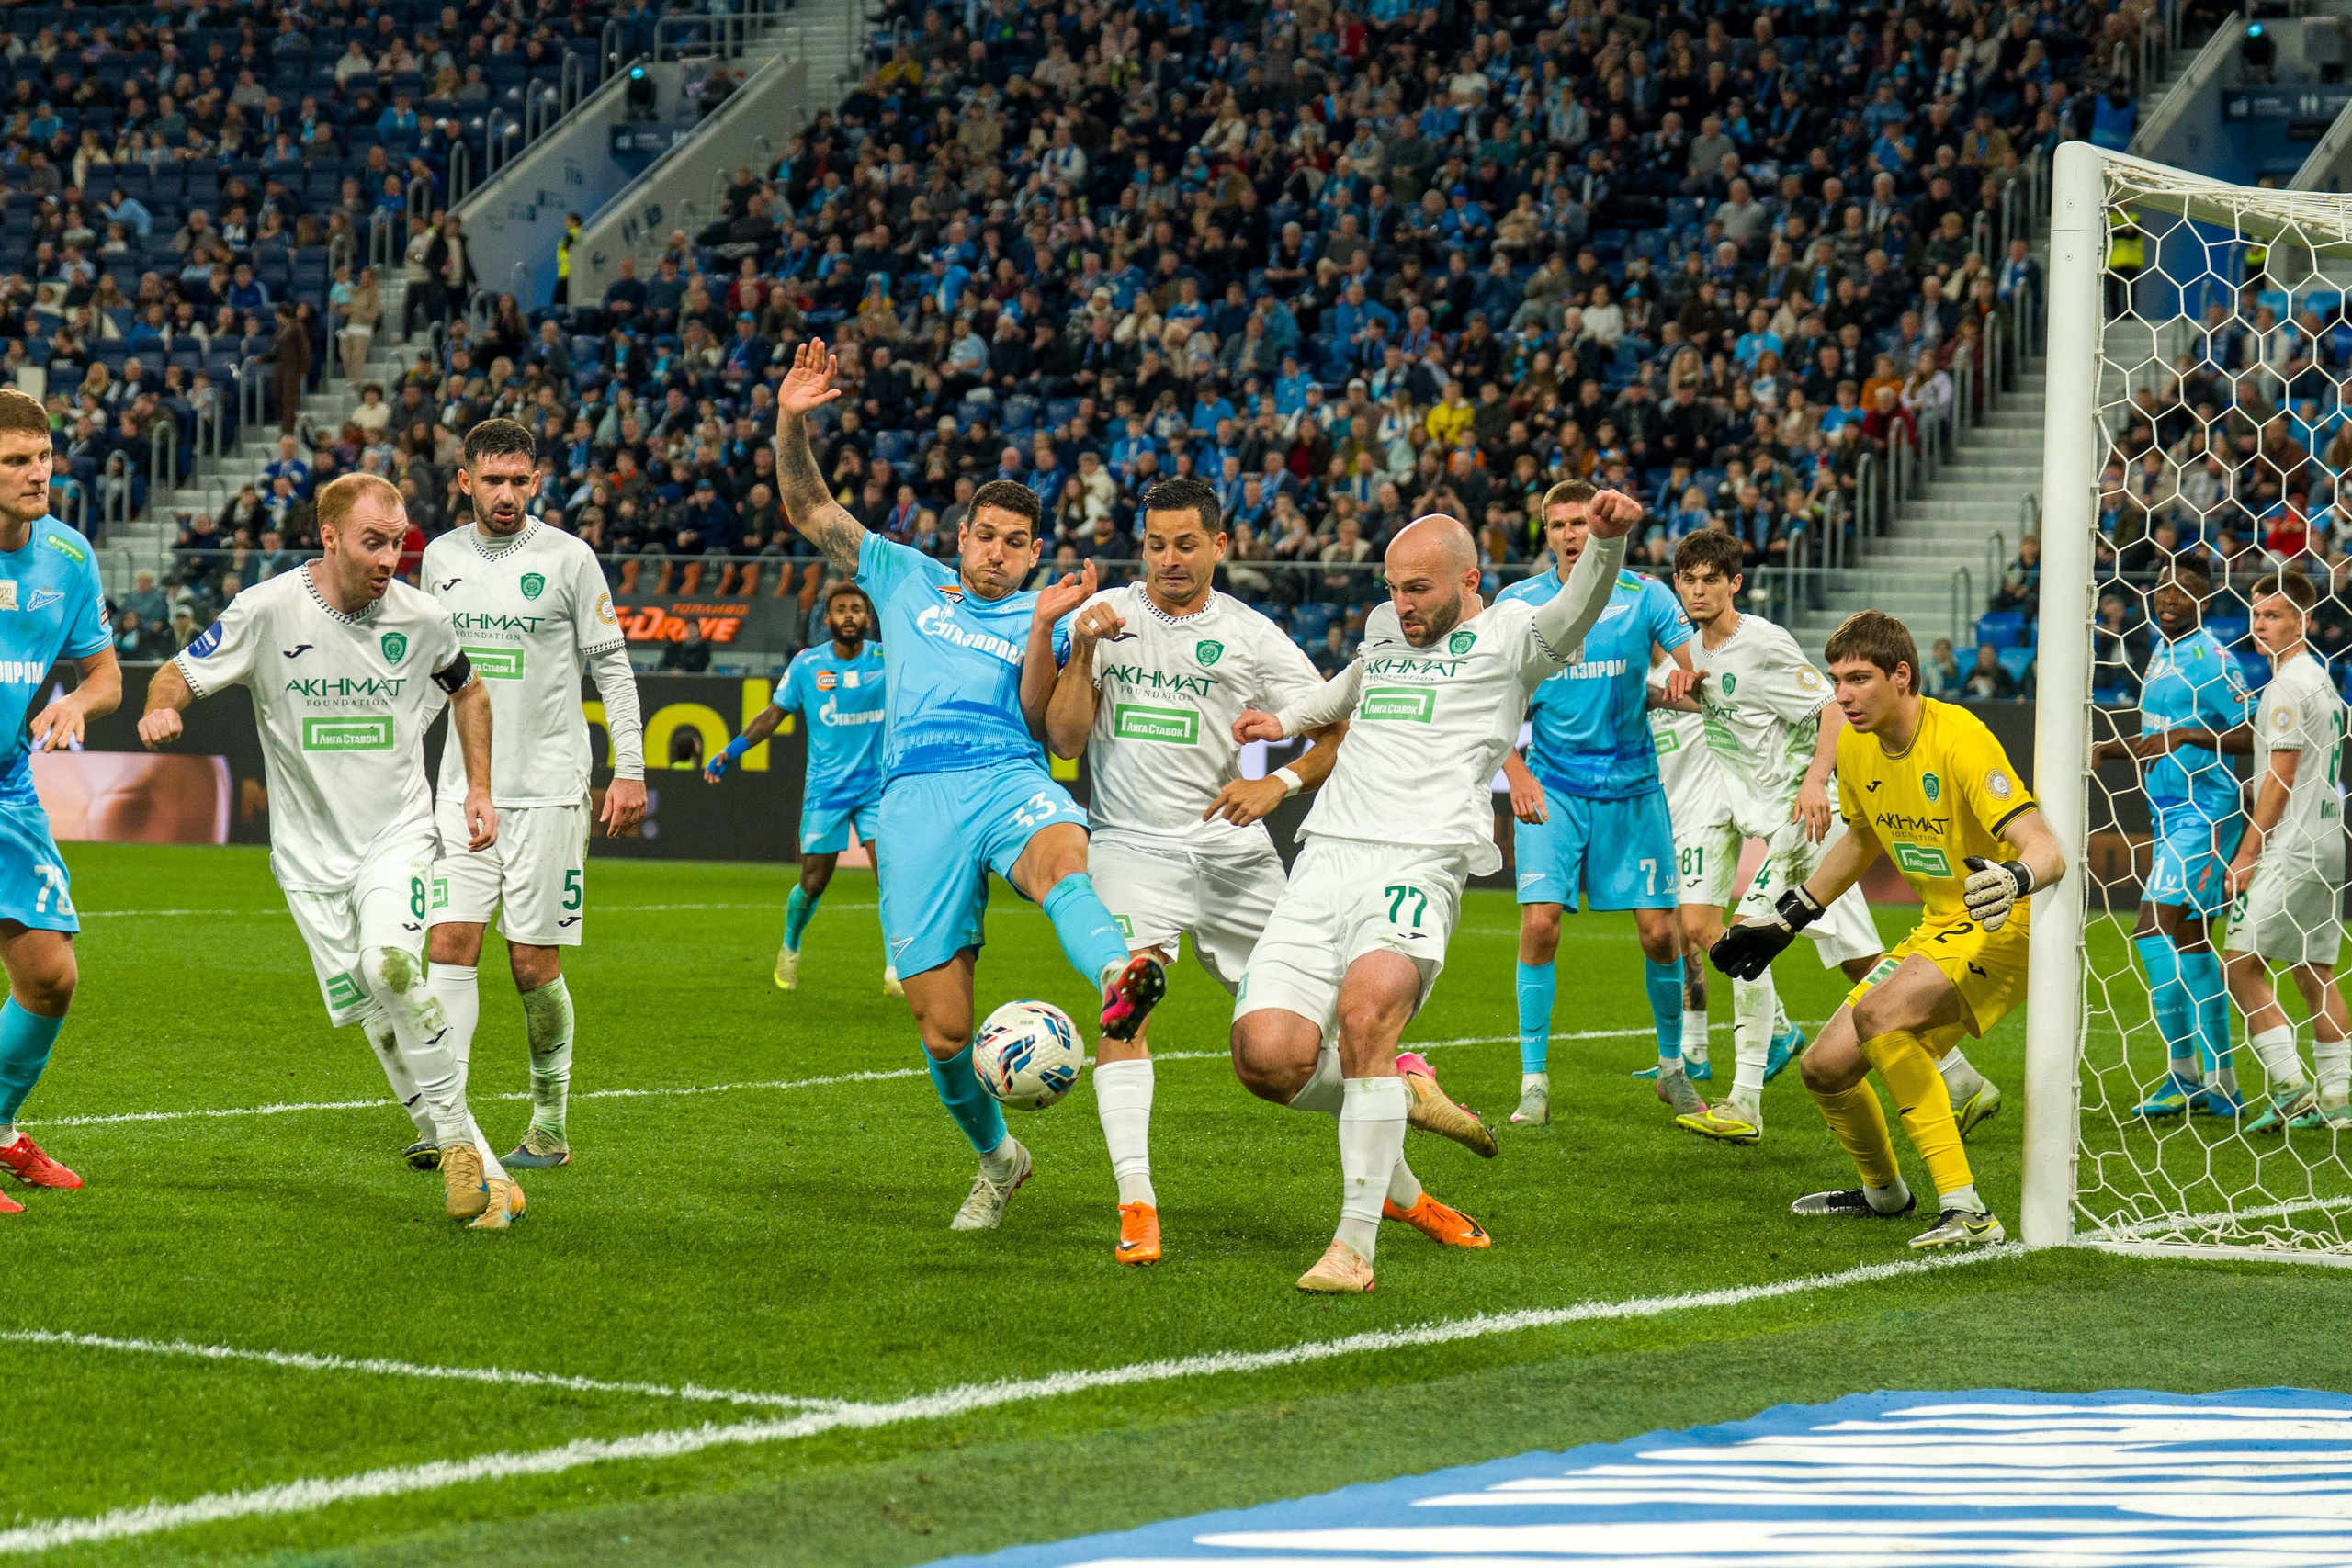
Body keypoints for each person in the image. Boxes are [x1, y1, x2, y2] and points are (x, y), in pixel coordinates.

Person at [1031, 476, 1489, 1267]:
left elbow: (1347, 725)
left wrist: (1279, 781)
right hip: (1132, 847)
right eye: (1154, 544)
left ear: (1220, 545)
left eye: (1185, 543)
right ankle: (1136, 1202)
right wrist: (1082, 651)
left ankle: (1396, 1185)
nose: (1168, 560)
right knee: (1124, 1005)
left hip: (1234, 854)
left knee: (1294, 1047)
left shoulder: (1251, 634)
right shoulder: (1103, 619)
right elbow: (1065, 741)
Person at [772, 337, 1165, 1232]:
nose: (996, 552)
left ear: (1034, 555)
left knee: (1064, 854)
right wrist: (792, 419)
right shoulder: (906, 576)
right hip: (912, 802)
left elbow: (1060, 738)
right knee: (944, 1030)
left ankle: (1119, 969)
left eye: (1014, 543)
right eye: (984, 536)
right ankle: (999, 1159)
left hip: (1005, 779)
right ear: (961, 539)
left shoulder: (1053, 613)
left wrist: (1079, 641)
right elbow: (807, 506)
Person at [1229, 501, 1632, 1293]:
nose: (1403, 604)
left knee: (1366, 1015)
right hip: (1328, 857)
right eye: (1394, 588)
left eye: (1418, 589)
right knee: (1267, 1058)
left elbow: (1579, 601)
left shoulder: (1514, 635)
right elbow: (1350, 686)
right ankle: (1401, 1091)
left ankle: (1353, 1248)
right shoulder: (1386, 630)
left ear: (1469, 580)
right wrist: (1283, 718)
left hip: (1421, 862)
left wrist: (1609, 541)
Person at [137, 473, 524, 1229]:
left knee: (391, 967)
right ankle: (484, 1164)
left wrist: (479, 788)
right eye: (374, 542)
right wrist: (159, 709)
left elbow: (470, 691)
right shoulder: (267, 610)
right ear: (330, 536)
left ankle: (455, 1150)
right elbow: (176, 672)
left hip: (398, 834)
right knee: (374, 1015)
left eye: (399, 542)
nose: (390, 557)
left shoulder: (421, 617)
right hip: (308, 860)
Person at [1713, 609, 2066, 1248]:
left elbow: (2046, 847)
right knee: (1822, 1069)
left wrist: (2014, 878)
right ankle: (1885, 1194)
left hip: (2002, 923)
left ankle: (1967, 1208)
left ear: (1902, 676)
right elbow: (1862, 837)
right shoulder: (1855, 743)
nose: (1842, 695)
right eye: (1835, 679)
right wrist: (1786, 920)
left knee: (1881, 1017)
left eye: (1858, 679)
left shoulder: (1960, 738)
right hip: (1939, 926)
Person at [419, 419, 648, 1174]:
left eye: (520, 481)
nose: (508, 494)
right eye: (494, 480)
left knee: (531, 964)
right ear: (466, 480)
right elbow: (431, 677)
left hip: (548, 789)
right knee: (447, 944)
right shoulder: (441, 559)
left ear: (538, 481)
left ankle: (549, 1122)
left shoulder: (570, 560)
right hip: (463, 788)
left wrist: (631, 768)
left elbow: (611, 668)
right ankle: (446, 1122)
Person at [1662, 529, 1891, 1144]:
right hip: (1777, 822)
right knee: (1858, 960)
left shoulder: (1761, 642)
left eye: (1713, 578)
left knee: (1741, 942)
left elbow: (1831, 707)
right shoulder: (1696, 651)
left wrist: (1817, 780)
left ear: (1735, 583)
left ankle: (1745, 1102)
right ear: (1678, 584)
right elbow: (1731, 708)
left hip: (1803, 816)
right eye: (1690, 578)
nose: (1700, 589)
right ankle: (1961, 1078)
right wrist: (1680, 692)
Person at [1497, 478, 1706, 1129]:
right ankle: (1534, 1082)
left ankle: (1673, 1070)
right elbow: (1486, 707)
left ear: (1599, 529)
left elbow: (1696, 667)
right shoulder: (1517, 604)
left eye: (1579, 522)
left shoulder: (1646, 595)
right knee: (1539, 925)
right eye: (1558, 524)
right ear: (1546, 531)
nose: (1570, 534)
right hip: (1552, 787)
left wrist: (1684, 675)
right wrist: (1517, 774)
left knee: (1659, 932)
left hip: (1633, 787)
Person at [0, 389, 122, 1213]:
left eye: (42, 457)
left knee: (49, 975)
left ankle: (0, 1129)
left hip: (8, 784)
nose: (37, 473)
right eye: (16, 461)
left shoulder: (69, 558)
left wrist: (78, 703)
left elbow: (106, 675)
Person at [2090, 565, 2250, 1118]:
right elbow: (2159, 731)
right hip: (2168, 814)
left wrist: (2188, 736)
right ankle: (2217, 1080)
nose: (2169, 599)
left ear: (2206, 595)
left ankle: (2187, 1074)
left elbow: (2251, 733)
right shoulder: (2161, 651)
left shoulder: (2214, 659)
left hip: (2206, 812)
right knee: (2190, 938)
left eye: (2183, 590)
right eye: (2162, 590)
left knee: (2152, 929)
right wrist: (2108, 750)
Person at [705, 581, 889, 994]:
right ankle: (790, 947)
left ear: (867, 618)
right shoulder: (807, 665)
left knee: (890, 875)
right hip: (826, 791)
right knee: (814, 880)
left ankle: (896, 968)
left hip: (878, 789)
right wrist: (731, 751)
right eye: (841, 609)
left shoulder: (886, 659)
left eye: (856, 609)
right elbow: (773, 715)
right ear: (827, 620)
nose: (849, 616)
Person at [2220, 571, 2349, 1133]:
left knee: (2240, 964)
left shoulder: (2285, 687)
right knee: (2312, 971)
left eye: (2273, 615)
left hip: (2294, 846)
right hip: (2329, 840)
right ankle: (2340, 1098)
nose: (2260, 625)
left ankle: (2290, 1088)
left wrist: (2248, 853)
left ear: (2304, 619)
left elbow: (2281, 773)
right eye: (2256, 615)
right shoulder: (2323, 682)